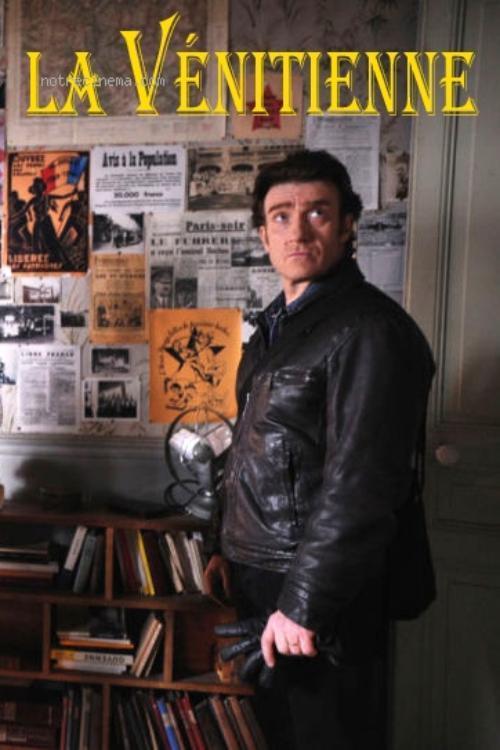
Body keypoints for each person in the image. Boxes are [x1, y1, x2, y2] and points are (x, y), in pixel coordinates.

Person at [204, 149, 435, 749]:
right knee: (280, 733)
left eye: (318, 213)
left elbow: (362, 486)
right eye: (281, 215)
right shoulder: (279, 327)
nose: (298, 231)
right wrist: (222, 544)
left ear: (348, 225)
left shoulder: (369, 329)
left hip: (319, 589)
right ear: (263, 233)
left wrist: (304, 605)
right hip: (266, 574)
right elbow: (253, 446)